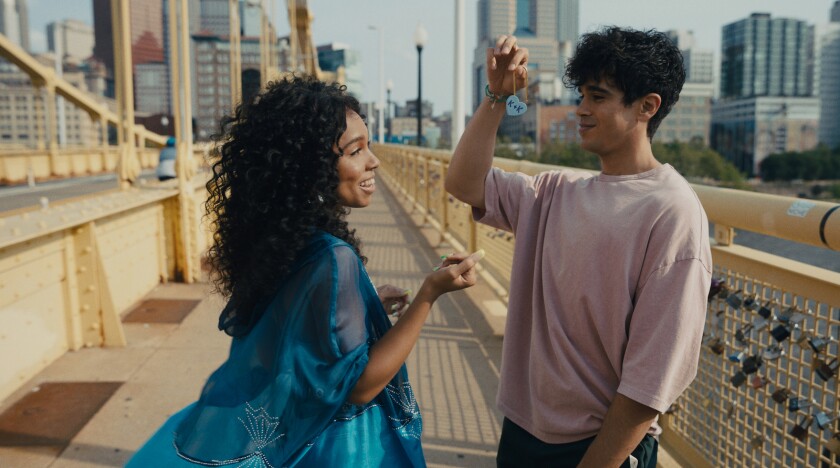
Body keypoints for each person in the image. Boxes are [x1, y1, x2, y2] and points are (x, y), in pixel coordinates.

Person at [127, 75, 484, 467]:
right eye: (356, 151)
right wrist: (429, 295)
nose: (373, 160)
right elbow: (361, 386)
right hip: (337, 449)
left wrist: (366, 305)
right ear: (312, 168)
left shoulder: (284, 239)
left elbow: (291, 326)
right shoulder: (334, 257)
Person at [445, 28, 712, 467]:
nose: (581, 110)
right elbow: (464, 183)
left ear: (647, 106)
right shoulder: (554, 192)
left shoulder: (673, 212)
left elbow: (652, 381)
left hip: (599, 448)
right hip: (523, 430)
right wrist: (497, 97)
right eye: (582, 96)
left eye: (598, 97)